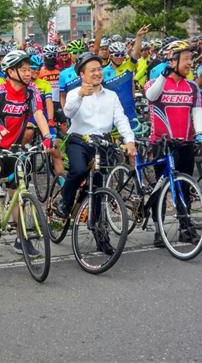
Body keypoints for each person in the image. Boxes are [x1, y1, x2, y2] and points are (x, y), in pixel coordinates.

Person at [60, 52, 136, 254]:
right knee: (77, 171)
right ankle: (65, 204)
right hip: (79, 141)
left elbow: (121, 119)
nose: (97, 73)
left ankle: (100, 233)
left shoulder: (111, 95)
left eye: (99, 69)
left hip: (102, 144)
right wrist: (80, 96)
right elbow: (68, 112)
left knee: (98, 189)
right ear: (82, 74)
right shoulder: (74, 93)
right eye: (92, 70)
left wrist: (129, 141)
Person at [0, 51, 52, 254]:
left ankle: (22, 238)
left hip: (14, 146)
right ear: (10, 71)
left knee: (18, 186)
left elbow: (38, 113)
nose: (29, 73)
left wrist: (47, 136)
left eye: (30, 69)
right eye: (24, 70)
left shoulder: (32, 92)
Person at [143, 40, 202, 246]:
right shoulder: (155, 83)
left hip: (185, 143)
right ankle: (159, 230)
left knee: (184, 186)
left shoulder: (192, 87)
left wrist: (201, 133)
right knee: (160, 188)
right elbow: (151, 96)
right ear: (173, 60)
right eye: (186, 59)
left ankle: (185, 228)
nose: (190, 63)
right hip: (161, 144)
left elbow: (197, 111)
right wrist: (164, 72)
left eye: (191, 59)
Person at [57, 40, 87, 106]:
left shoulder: (89, 69)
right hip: (72, 108)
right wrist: (65, 112)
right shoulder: (63, 74)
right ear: (70, 55)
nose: (78, 55)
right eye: (75, 52)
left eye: (81, 52)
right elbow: (62, 96)